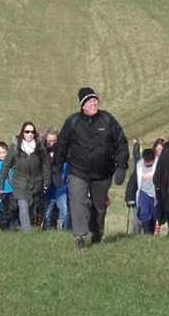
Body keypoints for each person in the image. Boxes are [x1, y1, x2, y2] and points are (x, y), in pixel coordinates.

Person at [54, 87, 129, 250]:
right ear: (83, 106)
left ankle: (97, 233)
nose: (94, 103)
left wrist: (121, 166)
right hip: (78, 171)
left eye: (95, 100)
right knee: (78, 201)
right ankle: (79, 237)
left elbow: (121, 143)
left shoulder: (108, 120)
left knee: (99, 206)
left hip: (102, 173)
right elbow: (61, 147)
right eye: (90, 101)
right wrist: (57, 170)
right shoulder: (72, 122)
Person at [0, 121, 51, 234]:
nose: (30, 134)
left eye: (32, 132)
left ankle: (26, 227)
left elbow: (46, 165)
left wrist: (47, 181)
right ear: (22, 133)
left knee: (31, 207)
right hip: (19, 184)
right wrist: (0, 185)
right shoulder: (15, 148)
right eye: (27, 131)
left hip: (36, 184)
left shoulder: (40, 148)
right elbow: (5, 167)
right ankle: (27, 232)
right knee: (23, 205)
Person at [124, 145, 158, 235]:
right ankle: (147, 234)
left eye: (150, 161)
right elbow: (132, 182)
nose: (148, 164)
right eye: (146, 161)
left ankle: (151, 233)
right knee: (144, 213)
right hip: (143, 193)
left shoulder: (158, 165)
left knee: (154, 216)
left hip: (155, 194)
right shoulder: (139, 166)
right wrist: (129, 197)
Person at [41, 128, 69, 231]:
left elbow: (67, 168)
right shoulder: (42, 154)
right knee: (47, 214)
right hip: (49, 190)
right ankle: (46, 231)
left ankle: (61, 232)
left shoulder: (64, 153)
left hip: (62, 189)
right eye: (49, 141)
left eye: (54, 141)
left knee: (64, 213)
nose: (52, 143)